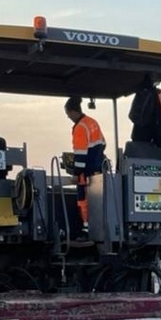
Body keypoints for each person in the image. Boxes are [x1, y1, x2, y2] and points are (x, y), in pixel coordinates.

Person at [64, 96, 107, 225]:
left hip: (86, 173)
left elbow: (81, 154)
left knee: (83, 200)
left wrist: (76, 174)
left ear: (72, 111)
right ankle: (97, 226)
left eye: (67, 114)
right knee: (98, 200)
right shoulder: (92, 122)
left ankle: (86, 226)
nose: (68, 117)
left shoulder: (80, 128)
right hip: (98, 169)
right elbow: (103, 143)